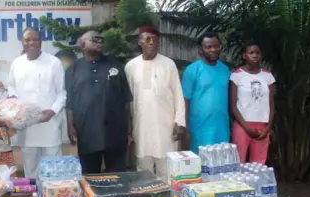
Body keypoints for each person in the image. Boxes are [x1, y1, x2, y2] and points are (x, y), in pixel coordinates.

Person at [66, 30, 133, 174]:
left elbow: (126, 99)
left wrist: (129, 130)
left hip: (115, 132)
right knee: (90, 177)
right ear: (83, 45)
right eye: (95, 39)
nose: (100, 42)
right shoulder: (74, 69)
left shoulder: (115, 65)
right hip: (87, 133)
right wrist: (70, 125)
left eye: (101, 39)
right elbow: (70, 102)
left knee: (118, 176)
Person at [125, 26, 185, 180]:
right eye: (147, 39)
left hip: (166, 126)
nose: (151, 43)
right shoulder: (130, 67)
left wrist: (179, 122)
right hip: (141, 127)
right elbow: (127, 101)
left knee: (167, 169)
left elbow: (178, 94)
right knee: (144, 168)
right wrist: (128, 129)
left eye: (155, 40)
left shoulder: (168, 64)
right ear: (140, 42)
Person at [7, 27, 66, 179]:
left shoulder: (53, 63)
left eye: (35, 39)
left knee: (53, 171)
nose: (31, 42)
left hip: (50, 125)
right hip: (27, 128)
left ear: (41, 42)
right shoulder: (17, 63)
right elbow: (10, 85)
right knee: (31, 171)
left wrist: (52, 111)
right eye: (27, 39)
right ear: (22, 42)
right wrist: (14, 99)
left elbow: (62, 93)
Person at [181, 32, 231, 153]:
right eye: (208, 47)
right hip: (199, 130)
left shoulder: (225, 70)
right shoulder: (192, 70)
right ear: (200, 50)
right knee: (200, 167)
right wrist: (186, 130)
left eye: (216, 46)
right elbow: (185, 101)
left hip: (222, 129)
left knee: (221, 167)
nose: (213, 49)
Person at [230, 41, 275, 164]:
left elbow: (271, 104)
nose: (255, 55)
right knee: (238, 162)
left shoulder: (267, 75)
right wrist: (246, 127)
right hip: (242, 125)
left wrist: (268, 127)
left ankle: (256, 184)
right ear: (244, 55)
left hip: (263, 127)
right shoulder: (237, 75)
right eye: (251, 53)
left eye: (257, 53)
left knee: (259, 164)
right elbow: (233, 106)